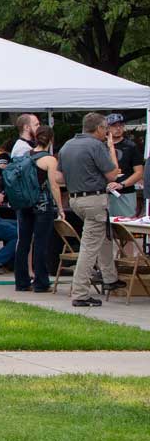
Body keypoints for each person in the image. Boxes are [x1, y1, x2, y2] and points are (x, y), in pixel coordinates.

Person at [63, 112, 126, 306]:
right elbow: (113, 174)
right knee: (89, 248)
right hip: (94, 199)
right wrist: (111, 148)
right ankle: (80, 294)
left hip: (75, 199)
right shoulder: (97, 145)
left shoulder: (67, 145)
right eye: (105, 128)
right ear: (98, 128)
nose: (107, 132)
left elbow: (58, 177)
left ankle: (109, 277)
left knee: (102, 237)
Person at [10, 130, 64, 293]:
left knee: (23, 242)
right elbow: (54, 185)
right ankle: (41, 282)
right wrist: (60, 208)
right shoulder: (49, 159)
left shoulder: (25, 156)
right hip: (42, 204)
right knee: (41, 243)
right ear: (51, 140)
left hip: (24, 203)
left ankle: (21, 282)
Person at [105, 114, 142, 218]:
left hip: (126, 192)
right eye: (114, 126)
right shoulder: (101, 146)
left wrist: (122, 185)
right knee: (104, 224)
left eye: (121, 125)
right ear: (107, 128)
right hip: (104, 193)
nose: (118, 128)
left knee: (125, 223)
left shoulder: (131, 146)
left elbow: (139, 172)